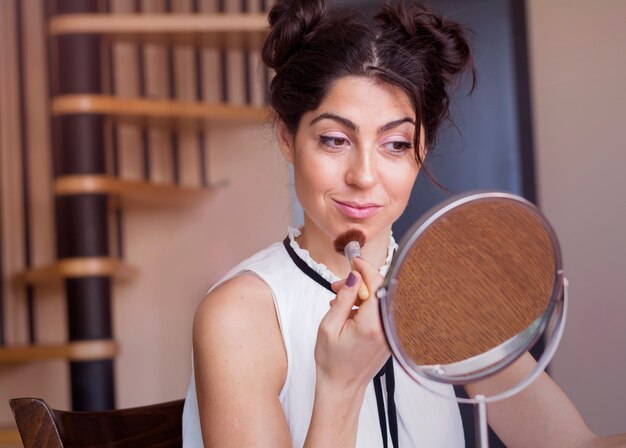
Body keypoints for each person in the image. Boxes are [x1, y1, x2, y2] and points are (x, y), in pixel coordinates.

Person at [182, 0, 626, 446]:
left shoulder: (446, 292)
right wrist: (341, 385)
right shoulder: (239, 318)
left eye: (395, 144)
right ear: (287, 137)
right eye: (335, 140)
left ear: (423, 148)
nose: (364, 176)